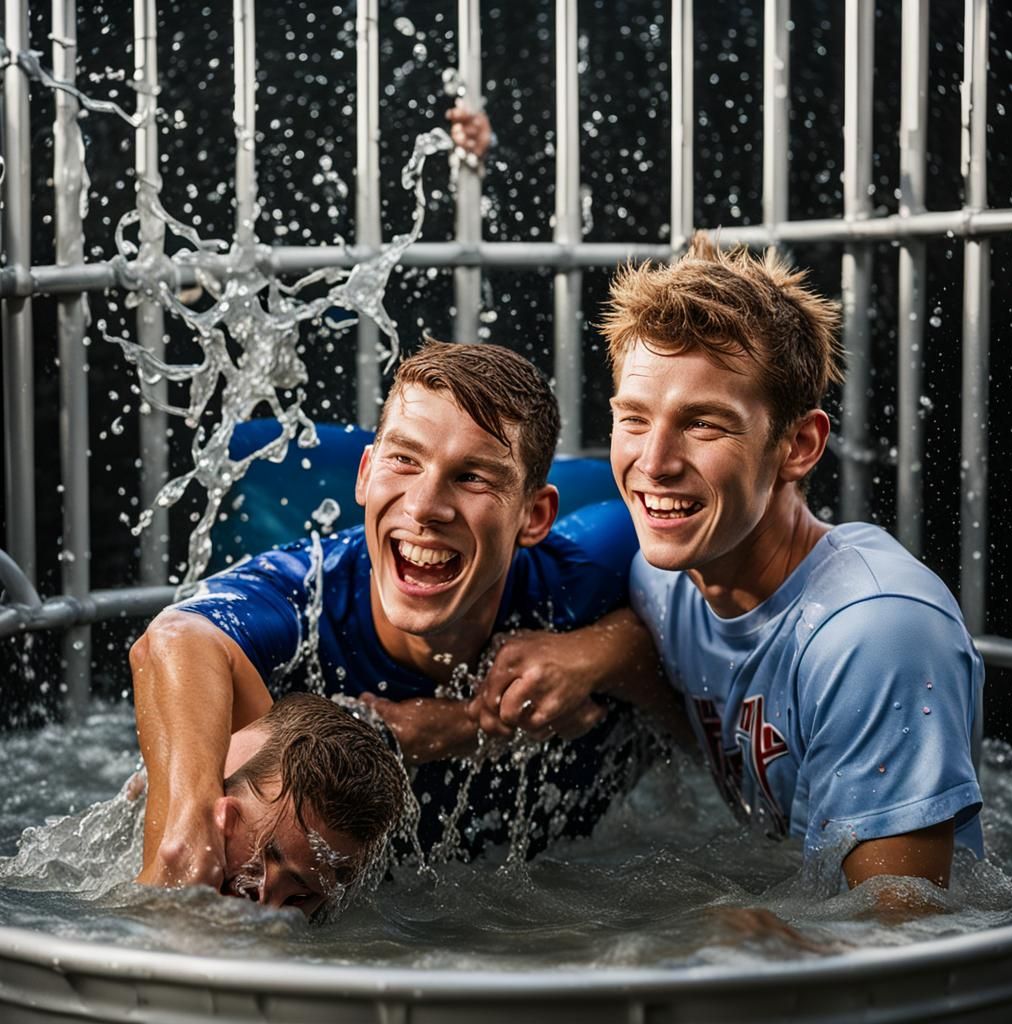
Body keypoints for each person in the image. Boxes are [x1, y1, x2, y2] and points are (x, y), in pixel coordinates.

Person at [131, 340, 676, 889]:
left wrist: (602, 652)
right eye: (404, 460)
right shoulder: (308, 598)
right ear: (366, 474)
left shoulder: (584, 573)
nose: (424, 507)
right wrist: (190, 810)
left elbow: (727, 593)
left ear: (534, 516)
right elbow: (175, 636)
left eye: (472, 477)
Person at [598, 233, 984, 893]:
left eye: (704, 425)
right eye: (634, 419)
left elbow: (893, 943)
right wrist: (601, 655)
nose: (654, 462)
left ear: (799, 445)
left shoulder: (876, 635)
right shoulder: (660, 578)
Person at [135, 691, 407, 920]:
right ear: (225, 814)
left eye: (299, 897)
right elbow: (173, 632)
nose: (266, 905)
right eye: (263, 855)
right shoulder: (166, 815)